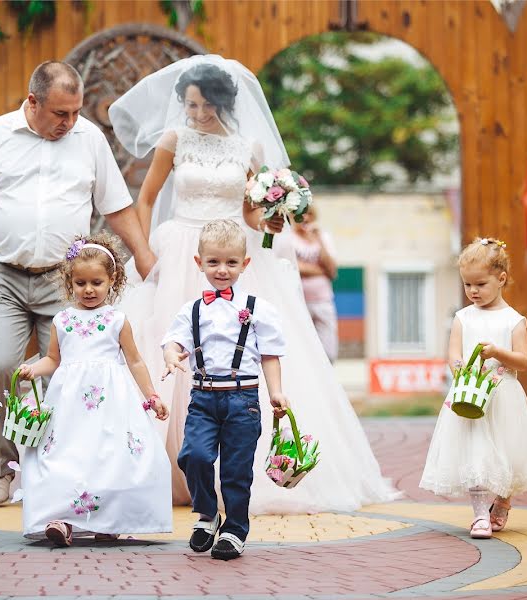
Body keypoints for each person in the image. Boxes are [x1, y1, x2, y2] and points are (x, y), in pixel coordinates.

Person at [110, 54, 397, 513]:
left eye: (204, 105)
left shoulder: (249, 148)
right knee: (170, 344)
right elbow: (145, 200)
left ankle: (243, 468)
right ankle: (166, 469)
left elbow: (250, 212)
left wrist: (270, 219)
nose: (197, 114)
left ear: (223, 103)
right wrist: (145, 254)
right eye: (190, 105)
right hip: (183, 248)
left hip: (234, 252)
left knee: (245, 345)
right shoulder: (174, 139)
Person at [0, 61, 155, 505]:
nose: (70, 122)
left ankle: (56, 474)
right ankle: (1, 470)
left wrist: (143, 253)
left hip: (66, 286)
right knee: (1, 366)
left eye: (76, 112)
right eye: (61, 113)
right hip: (3, 275)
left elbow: (116, 206)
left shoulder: (89, 140)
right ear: (33, 101)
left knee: (67, 376)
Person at [17, 233, 172, 546]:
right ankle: (62, 520)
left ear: (111, 280)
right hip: (68, 404)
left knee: (110, 456)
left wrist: (151, 396)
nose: (88, 290)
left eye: (96, 283)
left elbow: (136, 362)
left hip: (111, 403)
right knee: (65, 455)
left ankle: (108, 519)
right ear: (70, 282)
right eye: (81, 283)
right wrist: (33, 369)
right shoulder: (62, 320)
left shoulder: (117, 320)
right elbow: (53, 359)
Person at [161, 220, 288, 560]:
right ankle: (207, 513)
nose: (222, 269)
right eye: (213, 262)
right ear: (198, 262)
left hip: (242, 399)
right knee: (193, 456)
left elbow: (270, 353)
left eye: (231, 262)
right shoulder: (192, 309)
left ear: (244, 264)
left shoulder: (257, 308)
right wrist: (172, 354)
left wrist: (276, 391)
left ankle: (234, 529)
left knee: (235, 469)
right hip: (203, 398)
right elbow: (173, 340)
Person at [419, 237, 527, 539]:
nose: (472, 291)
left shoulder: (513, 320)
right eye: (467, 285)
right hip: (471, 397)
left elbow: (523, 361)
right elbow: (453, 353)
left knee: (507, 454)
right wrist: (458, 367)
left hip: (503, 397)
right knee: (476, 454)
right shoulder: (463, 317)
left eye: (480, 284)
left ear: (501, 279)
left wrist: (498, 352)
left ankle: (505, 501)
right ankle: (479, 515)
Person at [288, 204, 339, 363]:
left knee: (329, 351)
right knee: (303, 351)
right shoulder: (289, 238)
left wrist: (318, 241)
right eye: (299, 214)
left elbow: (332, 270)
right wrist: (320, 271)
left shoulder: (323, 237)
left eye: (308, 214)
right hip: (299, 301)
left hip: (323, 300)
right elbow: (294, 267)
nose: (305, 218)